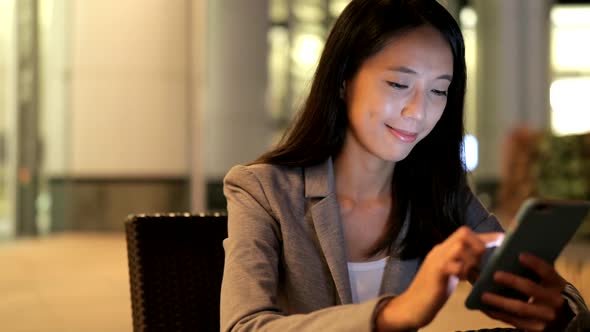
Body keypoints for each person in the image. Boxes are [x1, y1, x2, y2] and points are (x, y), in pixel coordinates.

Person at [220, 0, 588, 331]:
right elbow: (244, 326)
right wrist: (393, 314)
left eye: (439, 90)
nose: (419, 111)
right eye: (399, 84)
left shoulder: (439, 193)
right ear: (344, 79)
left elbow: (562, 307)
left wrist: (557, 311)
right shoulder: (263, 190)